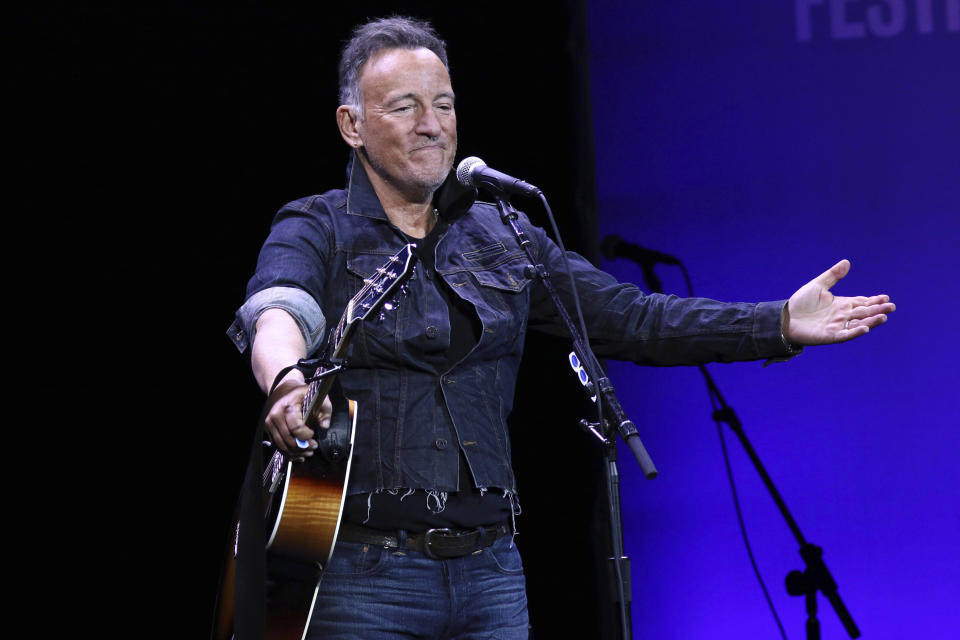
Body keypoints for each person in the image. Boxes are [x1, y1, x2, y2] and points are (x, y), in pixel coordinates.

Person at [226, 15, 895, 640]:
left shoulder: (504, 233)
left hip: (492, 574)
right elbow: (279, 308)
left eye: (445, 105)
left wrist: (776, 322)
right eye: (404, 107)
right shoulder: (317, 226)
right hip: (362, 577)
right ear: (352, 124)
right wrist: (287, 384)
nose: (432, 125)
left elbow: (633, 318)